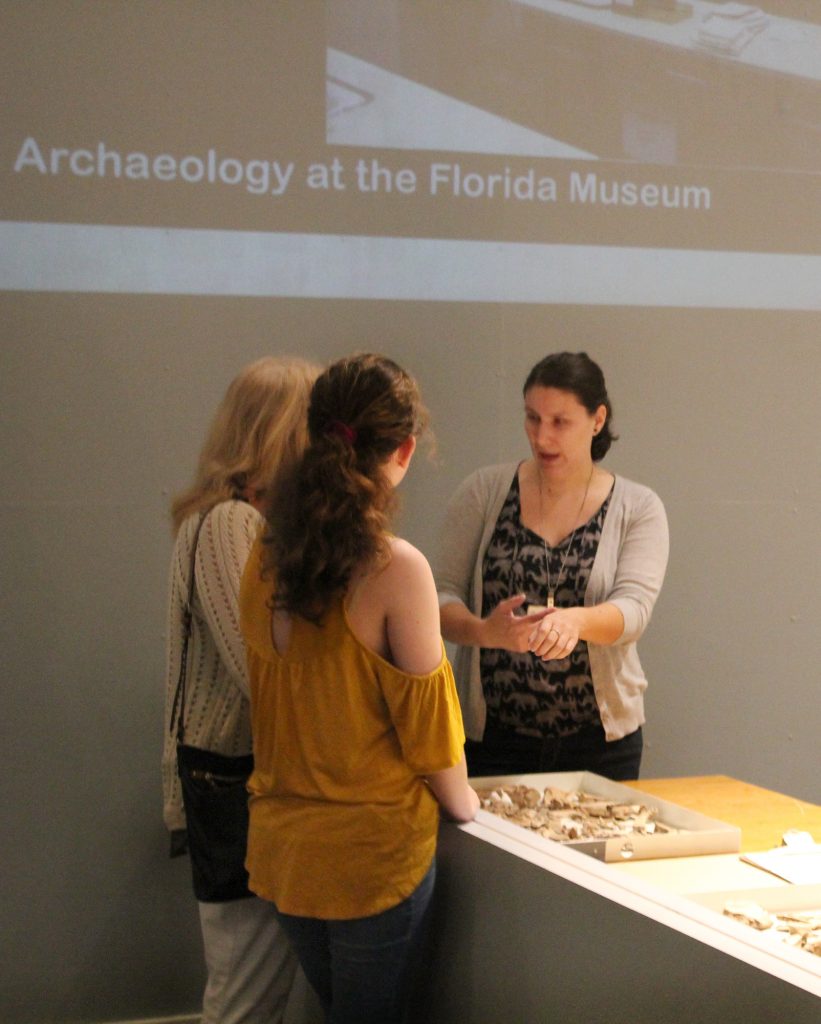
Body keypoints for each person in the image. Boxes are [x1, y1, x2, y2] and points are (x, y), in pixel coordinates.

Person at [239, 353, 479, 1024]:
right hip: (372, 858)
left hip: (286, 851)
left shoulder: (265, 552)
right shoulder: (395, 567)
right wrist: (469, 807)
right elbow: (433, 741)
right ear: (402, 450)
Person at [162, 356, 319, 1024]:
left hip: (232, 778)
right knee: (247, 994)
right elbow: (258, 666)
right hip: (234, 780)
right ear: (285, 432)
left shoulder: (231, 519)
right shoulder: (232, 524)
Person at [435, 351, 669, 781]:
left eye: (560, 422)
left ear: (597, 420)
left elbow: (634, 611)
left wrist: (575, 622)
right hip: (494, 740)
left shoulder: (638, 507)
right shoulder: (484, 491)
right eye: (532, 418)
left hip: (599, 744)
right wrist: (484, 632)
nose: (542, 437)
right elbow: (439, 597)